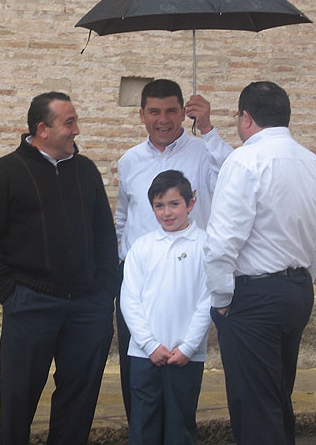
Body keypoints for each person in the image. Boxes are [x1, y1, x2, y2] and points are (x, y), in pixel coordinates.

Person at [0, 92, 119, 445]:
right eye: (69, 123)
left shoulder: (86, 171)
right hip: (30, 304)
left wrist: (104, 292)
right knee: (18, 405)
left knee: (78, 406)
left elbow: (104, 234)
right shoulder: (4, 173)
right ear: (42, 129)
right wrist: (9, 293)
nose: (77, 130)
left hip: (87, 309)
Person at [204, 81, 316, 445]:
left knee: (255, 408)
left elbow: (222, 241)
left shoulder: (245, 160)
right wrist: (302, 281)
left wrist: (222, 301)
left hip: (255, 297)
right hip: (297, 290)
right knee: (277, 397)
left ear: (246, 118)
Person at [114, 79, 232, 420]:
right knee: (137, 369)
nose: (162, 119)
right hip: (140, 276)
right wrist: (124, 261)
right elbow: (123, 215)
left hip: (189, 274)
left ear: (183, 112)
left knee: (181, 373)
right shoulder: (129, 161)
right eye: (154, 111)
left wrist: (208, 128)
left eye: (170, 111)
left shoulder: (203, 152)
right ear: (141, 115)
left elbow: (235, 175)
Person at [120, 170, 211, 445]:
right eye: (159, 206)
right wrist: (148, 344)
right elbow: (129, 299)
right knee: (143, 424)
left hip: (186, 356)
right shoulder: (142, 247)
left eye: (174, 204)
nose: (167, 212)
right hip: (144, 355)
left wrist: (188, 346)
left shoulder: (206, 245)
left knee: (180, 427)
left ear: (191, 203)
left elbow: (208, 300)